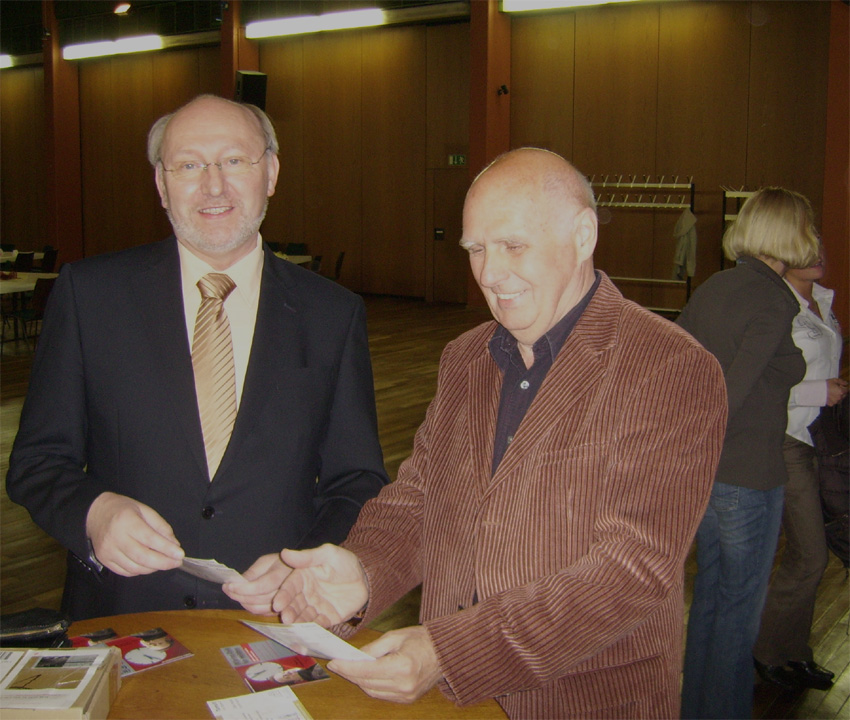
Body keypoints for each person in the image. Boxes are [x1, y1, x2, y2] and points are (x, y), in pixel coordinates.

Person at [255, 148, 728, 719]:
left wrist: (451, 651)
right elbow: (420, 499)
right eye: (476, 249)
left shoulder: (667, 365)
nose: (489, 272)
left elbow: (631, 571)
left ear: (582, 235)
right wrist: (360, 569)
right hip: (456, 704)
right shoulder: (466, 357)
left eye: (513, 245)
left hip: (584, 703)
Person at [6, 94, 388, 620]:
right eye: (188, 165)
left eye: (234, 161)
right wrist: (93, 513)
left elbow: (357, 479)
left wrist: (306, 562)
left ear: (271, 173)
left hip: (272, 616)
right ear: (162, 185)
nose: (213, 185)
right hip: (121, 614)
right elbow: (37, 462)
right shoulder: (91, 296)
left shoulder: (333, 314)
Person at [677, 187, 822, 719]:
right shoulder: (771, 299)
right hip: (749, 478)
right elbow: (729, 398)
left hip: (710, 476)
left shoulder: (717, 286)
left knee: (712, 604)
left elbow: (685, 367)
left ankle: (697, 709)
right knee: (738, 616)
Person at [752, 248, 847, 691]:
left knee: (810, 554)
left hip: (819, 442)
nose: (817, 253)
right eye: (802, 246)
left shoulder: (821, 303)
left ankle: (795, 652)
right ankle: (767, 651)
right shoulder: (776, 306)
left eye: (817, 243)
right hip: (788, 439)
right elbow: (759, 383)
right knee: (810, 554)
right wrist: (817, 391)